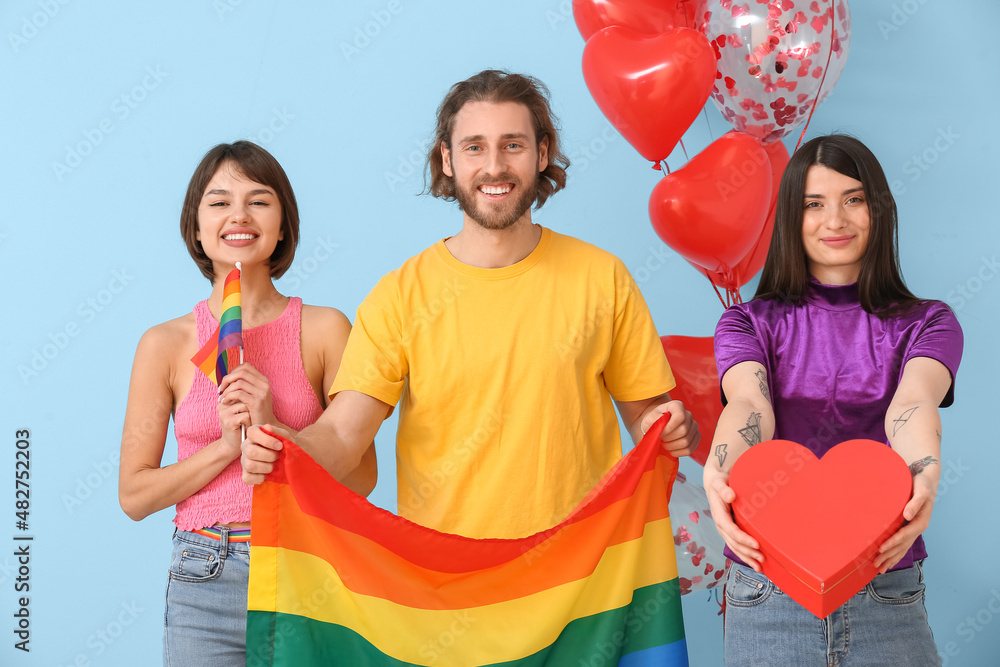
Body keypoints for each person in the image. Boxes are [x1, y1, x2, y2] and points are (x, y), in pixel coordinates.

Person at [240, 70, 699, 539]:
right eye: (474, 147)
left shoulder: (604, 278)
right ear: (448, 159)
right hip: (447, 588)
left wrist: (668, 425)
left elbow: (648, 417)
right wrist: (288, 446)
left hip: (581, 578)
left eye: (513, 145)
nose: (494, 166)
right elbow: (343, 434)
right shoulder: (399, 296)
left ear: (542, 153)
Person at [705, 134, 963, 666]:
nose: (835, 221)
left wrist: (926, 468)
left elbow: (911, 403)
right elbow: (751, 407)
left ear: (879, 209)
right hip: (766, 588)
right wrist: (719, 464)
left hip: (885, 586)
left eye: (854, 199)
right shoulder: (746, 323)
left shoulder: (929, 322)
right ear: (790, 220)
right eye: (813, 204)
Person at [118, 141, 376, 666]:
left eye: (259, 201)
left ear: (283, 225)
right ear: (196, 227)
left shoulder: (326, 330)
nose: (239, 215)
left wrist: (276, 430)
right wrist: (224, 448)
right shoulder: (164, 344)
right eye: (218, 202)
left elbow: (361, 478)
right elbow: (135, 496)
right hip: (204, 574)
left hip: (307, 569)